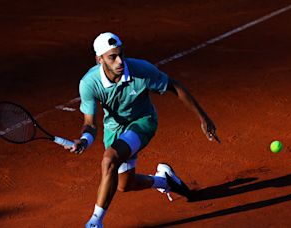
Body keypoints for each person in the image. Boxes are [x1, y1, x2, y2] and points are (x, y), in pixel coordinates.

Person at [68, 32, 219, 228]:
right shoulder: (89, 83)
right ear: (99, 59)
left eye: (121, 54)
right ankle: (164, 181)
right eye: (112, 57)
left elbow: (175, 87)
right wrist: (85, 140)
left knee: (109, 159)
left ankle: (95, 222)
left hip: (143, 122)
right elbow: (90, 122)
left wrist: (203, 118)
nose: (120, 61)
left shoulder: (142, 70)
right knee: (124, 184)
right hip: (114, 129)